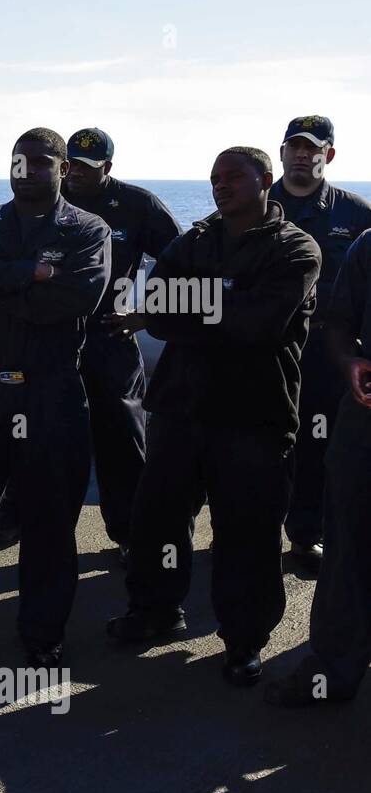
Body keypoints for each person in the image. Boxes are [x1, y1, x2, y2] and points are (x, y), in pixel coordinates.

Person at [105, 147, 321, 688]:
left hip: (254, 414)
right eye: (213, 179)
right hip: (180, 406)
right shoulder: (197, 240)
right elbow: (156, 309)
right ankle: (155, 610)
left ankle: (244, 640)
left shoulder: (297, 248)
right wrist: (223, 298)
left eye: (232, 178)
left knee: (246, 533)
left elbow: (260, 324)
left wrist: (194, 306)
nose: (220, 187)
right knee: (157, 519)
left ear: (265, 181)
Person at [0, 128, 110, 668]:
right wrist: (30, 273)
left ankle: (43, 630)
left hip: (50, 392)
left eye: (37, 162)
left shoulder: (88, 229)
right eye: (16, 162)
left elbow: (77, 298)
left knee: (50, 520)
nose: (24, 171)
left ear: (63, 170)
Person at [54, 128, 181, 563]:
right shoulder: (47, 199)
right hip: (51, 339)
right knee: (40, 435)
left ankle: (131, 532)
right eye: (69, 165)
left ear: (107, 168)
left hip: (109, 336)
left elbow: (181, 258)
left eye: (87, 169)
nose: (75, 176)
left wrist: (149, 314)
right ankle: (25, 524)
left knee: (122, 441)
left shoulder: (136, 204)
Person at [265, 228, 371, 706]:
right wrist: (349, 361)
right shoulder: (367, 245)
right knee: (348, 541)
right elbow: (339, 322)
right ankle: (331, 670)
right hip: (364, 417)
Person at [271, 116, 371, 571]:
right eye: (294, 146)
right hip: (262, 352)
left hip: (325, 353)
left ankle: (306, 534)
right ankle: (250, 531)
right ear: (282, 152)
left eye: (312, 148)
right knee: (257, 445)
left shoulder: (356, 214)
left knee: (316, 444)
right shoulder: (257, 202)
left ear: (328, 155)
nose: (302, 155)